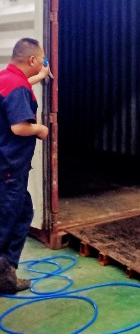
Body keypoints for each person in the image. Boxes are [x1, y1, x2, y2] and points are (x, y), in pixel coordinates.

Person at [0, 38, 49, 294]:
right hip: (9, 167)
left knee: (21, 211)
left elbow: (22, 86)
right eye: (42, 59)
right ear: (31, 59)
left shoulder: (7, 78)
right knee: (8, 221)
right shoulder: (18, 87)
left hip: (6, 166)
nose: (43, 62)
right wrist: (40, 129)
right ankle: (4, 276)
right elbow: (19, 127)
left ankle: (6, 271)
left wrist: (40, 76)